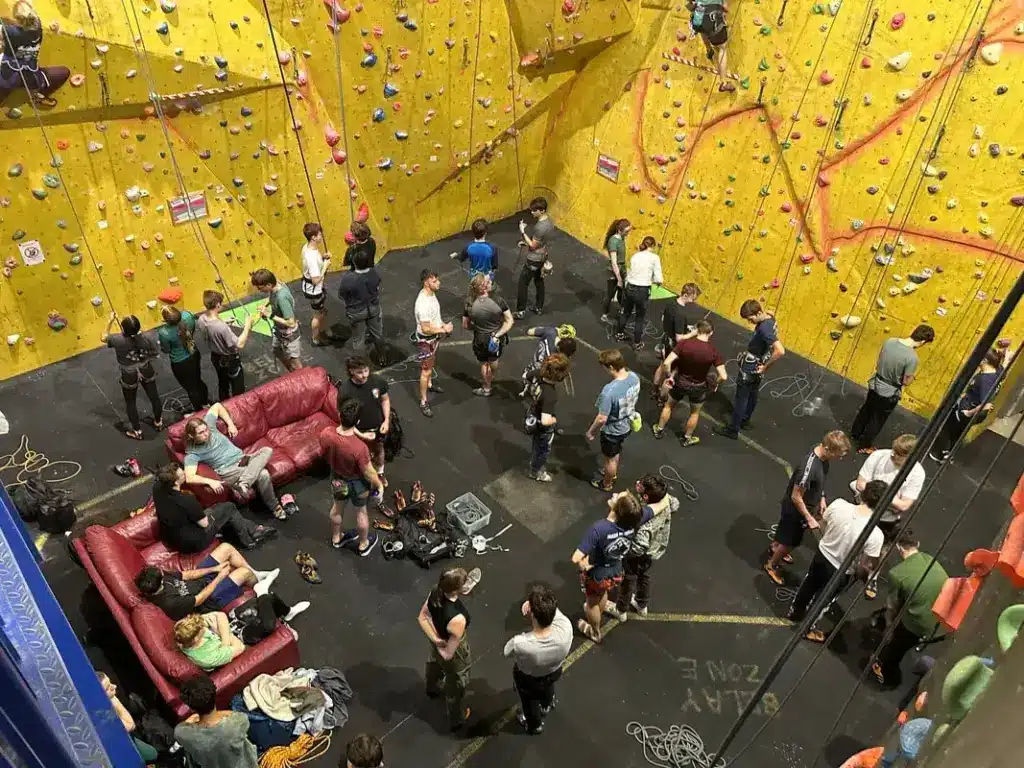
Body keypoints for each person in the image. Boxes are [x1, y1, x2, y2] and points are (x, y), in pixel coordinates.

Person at [787, 480, 886, 643]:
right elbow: (865, 564)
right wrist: (863, 577)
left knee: (809, 583)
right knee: (823, 600)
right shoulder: (875, 535)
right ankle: (806, 629)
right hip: (841, 571)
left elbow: (822, 524)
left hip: (822, 555)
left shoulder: (839, 505)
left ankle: (795, 611)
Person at [764, 430, 851, 585]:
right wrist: (809, 518)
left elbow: (820, 481)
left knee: (785, 534)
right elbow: (796, 496)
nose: (841, 458)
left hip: (806, 506)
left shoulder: (823, 457)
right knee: (791, 541)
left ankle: (776, 546)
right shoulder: (808, 470)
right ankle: (772, 565)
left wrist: (822, 498)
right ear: (829, 449)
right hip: (796, 510)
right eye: (839, 454)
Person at [182, 403, 288, 520]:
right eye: (201, 433)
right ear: (192, 436)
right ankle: (275, 506)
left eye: (205, 430)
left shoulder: (209, 426)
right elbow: (190, 477)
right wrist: (210, 481)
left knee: (266, 450)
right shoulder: (192, 454)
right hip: (228, 470)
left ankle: (243, 483)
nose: (206, 434)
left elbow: (217, 406)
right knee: (263, 474)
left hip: (243, 458)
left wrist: (230, 424)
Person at [851, 435, 926, 598]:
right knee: (854, 537)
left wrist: (882, 494)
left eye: (898, 455)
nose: (892, 456)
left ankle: (873, 576)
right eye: (894, 451)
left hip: (888, 519)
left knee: (880, 551)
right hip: (866, 509)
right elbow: (860, 483)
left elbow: (905, 505)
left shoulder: (917, 474)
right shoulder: (878, 456)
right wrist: (889, 498)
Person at [872, 530, 948, 687]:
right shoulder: (929, 559)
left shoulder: (897, 574)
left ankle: (882, 665)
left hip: (917, 624)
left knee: (897, 645)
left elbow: (891, 606)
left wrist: (889, 625)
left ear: (898, 547)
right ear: (917, 545)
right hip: (940, 618)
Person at [572, 491, 649, 643]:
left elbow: (576, 558)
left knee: (591, 603)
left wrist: (584, 565)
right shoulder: (634, 519)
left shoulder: (599, 529)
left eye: (616, 497)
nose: (613, 494)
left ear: (617, 509)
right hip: (616, 571)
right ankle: (600, 606)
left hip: (598, 576)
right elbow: (654, 509)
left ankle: (594, 631)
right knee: (602, 593)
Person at [134, 543, 280, 621]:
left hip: (199, 582)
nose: (161, 571)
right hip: (207, 601)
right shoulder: (170, 602)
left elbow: (186, 575)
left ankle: (257, 575)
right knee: (244, 573)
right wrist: (219, 577)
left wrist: (213, 569)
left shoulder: (158, 575)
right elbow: (200, 599)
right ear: (159, 585)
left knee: (226, 548)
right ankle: (258, 585)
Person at [850, 325, 935, 454]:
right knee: (877, 419)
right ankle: (864, 445)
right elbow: (906, 381)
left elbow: (880, 360)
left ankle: (855, 433)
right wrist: (913, 378)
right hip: (889, 392)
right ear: (923, 341)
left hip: (875, 383)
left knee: (867, 409)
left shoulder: (890, 341)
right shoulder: (912, 358)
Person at [152, 463, 275, 553]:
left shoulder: (157, 488)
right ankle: (249, 540)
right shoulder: (186, 500)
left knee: (220, 510)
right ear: (176, 482)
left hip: (173, 537)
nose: (185, 474)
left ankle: (253, 529)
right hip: (194, 542)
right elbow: (204, 524)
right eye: (182, 474)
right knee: (229, 507)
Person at [607, 474, 679, 620]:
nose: (637, 482)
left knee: (629, 579)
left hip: (639, 553)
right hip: (654, 549)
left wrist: (625, 554)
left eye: (640, 485)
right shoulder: (664, 500)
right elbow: (675, 503)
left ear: (646, 497)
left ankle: (621, 610)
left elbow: (639, 545)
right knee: (645, 575)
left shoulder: (645, 525)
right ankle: (642, 604)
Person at [503, 584, 573, 734]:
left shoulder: (521, 643)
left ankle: (534, 725)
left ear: (532, 615)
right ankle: (547, 704)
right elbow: (553, 611)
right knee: (548, 687)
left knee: (529, 702)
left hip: (529, 679)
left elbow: (506, 652)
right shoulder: (566, 626)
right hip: (554, 671)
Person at [320, 397, 385, 556]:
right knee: (361, 512)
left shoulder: (325, 433)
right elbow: (369, 473)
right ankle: (363, 544)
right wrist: (379, 485)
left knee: (337, 507)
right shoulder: (359, 448)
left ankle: (337, 538)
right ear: (358, 420)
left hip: (337, 479)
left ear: (339, 415)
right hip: (357, 483)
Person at [714, 299, 785, 440]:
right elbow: (769, 313)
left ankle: (733, 429)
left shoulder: (764, 329)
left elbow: (780, 351)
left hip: (752, 365)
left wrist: (765, 367)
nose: (750, 322)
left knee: (742, 397)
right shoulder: (770, 318)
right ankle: (745, 420)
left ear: (758, 313)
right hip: (759, 362)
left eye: (750, 318)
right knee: (752, 394)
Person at [652, 319, 727, 446]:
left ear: (696, 330)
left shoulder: (684, 344)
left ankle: (659, 430)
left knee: (669, 406)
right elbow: (724, 376)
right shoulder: (713, 352)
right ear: (711, 333)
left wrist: (669, 376)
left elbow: (666, 363)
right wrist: (714, 384)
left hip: (680, 382)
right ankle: (687, 438)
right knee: (694, 413)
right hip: (698, 386)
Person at [417, 568, 474, 731]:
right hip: (454, 650)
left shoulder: (435, 592)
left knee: (434, 664)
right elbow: (449, 654)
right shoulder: (458, 619)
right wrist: (443, 649)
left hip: (438, 637)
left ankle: (432, 689)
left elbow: (423, 617)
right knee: (457, 683)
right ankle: (456, 719)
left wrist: (435, 640)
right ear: (457, 589)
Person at [929, 347, 1004, 462]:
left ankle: (940, 454)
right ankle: (948, 454)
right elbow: (1005, 362)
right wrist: (1004, 349)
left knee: (947, 429)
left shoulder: (985, 380)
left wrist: (968, 413)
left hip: (969, 411)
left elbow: (986, 405)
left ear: (984, 361)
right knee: (958, 431)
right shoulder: (997, 371)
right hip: (971, 408)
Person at [101, 313, 163, 441]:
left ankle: (137, 431)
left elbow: (103, 337)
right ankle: (158, 422)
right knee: (154, 397)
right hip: (145, 369)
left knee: (131, 402)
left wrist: (110, 321)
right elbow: (155, 353)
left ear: (123, 329)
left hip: (129, 373)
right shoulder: (147, 337)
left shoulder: (117, 340)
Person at [174, 674, 259, 768]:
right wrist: (218, 714)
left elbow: (181, 727)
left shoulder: (183, 733)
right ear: (215, 697)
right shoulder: (237, 723)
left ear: (192, 708)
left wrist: (195, 717)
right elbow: (241, 717)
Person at [586, 349, 641, 492]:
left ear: (610, 367)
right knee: (615, 452)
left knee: (609, 459)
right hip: (627, 425)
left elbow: (602, 418)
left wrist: (591, 432)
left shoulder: (610, 391)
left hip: (612, 431)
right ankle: (612, 473)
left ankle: (607, 483)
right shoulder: (634, 377)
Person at [0, 1, 70, 107]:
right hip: (32, 77)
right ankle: (39, 96)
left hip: (8, 79)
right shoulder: (37, 27)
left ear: (17, 18)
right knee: (64, 72)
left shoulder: (10, 32)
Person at [339, 356, 391, 481]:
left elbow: (385, 400)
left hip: (378, 426)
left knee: (379, 450)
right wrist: (362, 435)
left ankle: (380, 472)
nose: (364, 375)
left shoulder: (378, 381)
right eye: (359, 372)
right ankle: (365, 475)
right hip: (358, 431)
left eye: (366, 370)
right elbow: (343, 418)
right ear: (351, 371)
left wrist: (386, 420)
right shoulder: (345, 390)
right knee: (363, 455)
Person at [197, 290, 255, 402]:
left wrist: (225, 323)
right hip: (230, 360)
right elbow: (239, 344)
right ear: (218, 304)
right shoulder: (221, 327)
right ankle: (238, 406)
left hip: (215, 357)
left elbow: (212, 328)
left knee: (223, 383)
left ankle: (224, 404)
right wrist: (247, 326)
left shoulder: (201, 319)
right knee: (237, 387)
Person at [463, 273, 514, 397]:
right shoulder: (498, 301)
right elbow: (509, 321)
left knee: (483, 363)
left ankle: (487, 387)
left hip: (480, 337)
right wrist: (497, 334)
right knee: (493, 360)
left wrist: (478, 328)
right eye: (489, 282)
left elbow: (466, 325)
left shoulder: (469, 303)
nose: (491, 282)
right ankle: (492, 376)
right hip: (495, 337)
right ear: (484, 287)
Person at [414, 269, 452, 417]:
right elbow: (425, 328)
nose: (439, 283)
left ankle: (429, 384)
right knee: (426, 371)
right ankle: (423, 401)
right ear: (426, 283)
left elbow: (435, 317)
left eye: (438, 280)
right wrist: (443, 330)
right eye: (435, 281)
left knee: (431, 365)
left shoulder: (432, 295)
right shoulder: (423, 304)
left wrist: (442, 325)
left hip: (433, 338)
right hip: (426, 341)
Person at [526, 354, 571, 482]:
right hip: (542, 422)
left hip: (533, 411)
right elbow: (546, 421)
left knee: (536, 443)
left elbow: (527, 376)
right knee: (543, 449)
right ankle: (536, 471)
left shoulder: (537, 373)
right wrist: (554, 420)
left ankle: (535, 466)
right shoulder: (550, 395)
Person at [615, 236, 663, 350]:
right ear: (653, 246)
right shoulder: (655, 258)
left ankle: (619, 334)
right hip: (642, 291)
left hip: (630, 287)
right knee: (639, 318)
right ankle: (636, 343)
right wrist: (654, 280)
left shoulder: (635, 255)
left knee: (625, 312)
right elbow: (659, 279)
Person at [99, 673, 159, 764]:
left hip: (122, 737)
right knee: (150, 755)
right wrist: (112, 698)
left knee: (152, 753)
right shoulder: (102, 716)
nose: (114, 686)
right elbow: (130, 725)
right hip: (114, 749)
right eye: (108, 688)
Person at [251, 268, 302, 372]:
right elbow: (272, 296)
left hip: (289, 333)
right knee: (276, 350)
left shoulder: (282, 297)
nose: (259, 291)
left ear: (269, 285)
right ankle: (292, 371)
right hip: (279, 330)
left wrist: (269, 314)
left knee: (295, 361)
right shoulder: (276, 284)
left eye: (260, 288)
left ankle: (302, 377)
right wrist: (265, 305)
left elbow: (291, 323)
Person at [337, 249, 384, 361]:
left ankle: (361, 364)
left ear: (354, 262)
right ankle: (382, 357)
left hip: (356, 312)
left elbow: (341, 295)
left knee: (358, 340)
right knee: (377, 335)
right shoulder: (374, 273)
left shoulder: (348, 279)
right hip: (373, 309)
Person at [514, 197, 555, 319]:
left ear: (541, 211)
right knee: (539, 281)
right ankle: (538, 307)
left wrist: (522, 232)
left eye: (534, 210)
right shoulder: (549, 222)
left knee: (523, 283)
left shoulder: (540, 227)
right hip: (543, 256)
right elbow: (540, 242)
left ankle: (520, 311)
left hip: (534, 259)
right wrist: (525, 242)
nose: (531, 212)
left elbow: (533, 245)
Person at [300, 221, 334, 347]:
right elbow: (316, 280)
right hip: (314, 290)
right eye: (319, 235)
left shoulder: (307, 247)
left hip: (310, 288)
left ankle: (325, 329)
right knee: (317, 315)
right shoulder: (312, 257)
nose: (321, 236)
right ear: (313, 237)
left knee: (321, 311)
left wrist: (323, 258)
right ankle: (316, 338)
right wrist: (325, 266)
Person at [520, 324, 577, 398]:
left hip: (537, 361)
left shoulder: (550, 332)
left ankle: (528, 388)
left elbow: (530, 332)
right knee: (539, 384)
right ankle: (534, 393)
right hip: (546, 370)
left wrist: (548, 329)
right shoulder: (561, 354)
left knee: (530, 375)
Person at [174, 612, 246, 671]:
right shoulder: (207, 658)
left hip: (227, 636)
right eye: (202, 628)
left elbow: (220, 615)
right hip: (239, 641)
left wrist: (224, 638)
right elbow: (240, 647)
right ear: (196, 638)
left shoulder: (181, 631)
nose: (204, 628)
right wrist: (222, 633)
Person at [689, 0, 730, 87]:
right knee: (722, 48)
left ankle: (709, 50)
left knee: (703, 30)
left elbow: (690, 4)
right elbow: (725, 8)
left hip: (698, 18)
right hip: (712, 19)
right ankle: (723, 82)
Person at [661, 282, 702, 360]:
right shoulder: (680, 314)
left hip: (666, 338)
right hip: (672, 344)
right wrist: (693, 333)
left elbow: (663, 318)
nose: (693, 301)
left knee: (664, 362)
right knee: (669, 366)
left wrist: (683, 326)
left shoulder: (672, 301)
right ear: (685, 295)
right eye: (693, 299)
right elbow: (679, 338)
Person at [601, 218, 632, 322]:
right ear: (619, 230)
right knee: (610, 294)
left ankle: (622, 309)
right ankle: (604, 315)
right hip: (614, 272)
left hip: (621, 269)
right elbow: (614, 262)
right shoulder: (613, 242)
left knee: (622, 291)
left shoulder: (621, 238)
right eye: (627, 231)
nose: (628, 233)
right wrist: (618, 278)